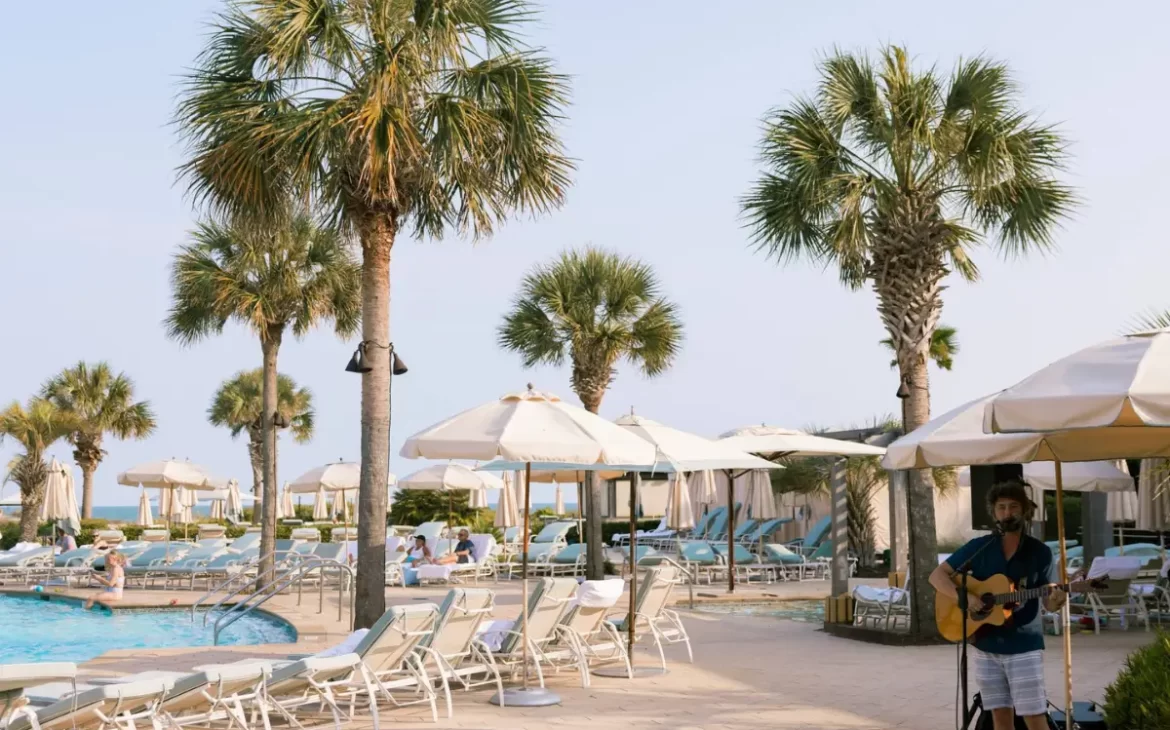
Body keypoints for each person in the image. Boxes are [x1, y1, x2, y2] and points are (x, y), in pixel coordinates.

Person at [929, 480, 1067, 730]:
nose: (1007, 513)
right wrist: (966, 597)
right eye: (1001, 507)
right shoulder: (979, 547)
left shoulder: (1040, 552)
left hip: (1024, 645)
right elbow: (937, 575)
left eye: (1014, 506)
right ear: (994, 513)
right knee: (999, 719)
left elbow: (1049, 600)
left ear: (1025, 511)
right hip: (986, 645)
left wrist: (1057, 600)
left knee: (1034, 717)